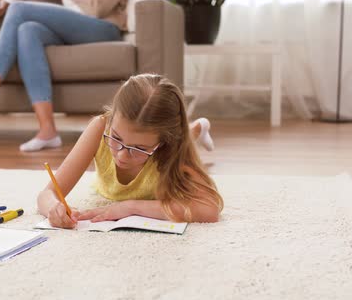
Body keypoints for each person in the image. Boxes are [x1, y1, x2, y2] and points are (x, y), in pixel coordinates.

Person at [37, 74, 223, 229]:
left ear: (164, 142)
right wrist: (54, 208)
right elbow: (46, 194)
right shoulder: (101, 127)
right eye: (116, 138)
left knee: (189, 135)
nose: (121, 155)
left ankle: (199, 126)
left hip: (177, 137)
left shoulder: (174, 145)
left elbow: (210, 209)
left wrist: (132, 207)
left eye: (139, 149)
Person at [0, 0, 129, 152]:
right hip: (71, 27)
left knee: (19, 9)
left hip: (104, 26)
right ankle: (48, 130)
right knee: (27, 30)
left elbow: (97, 8)